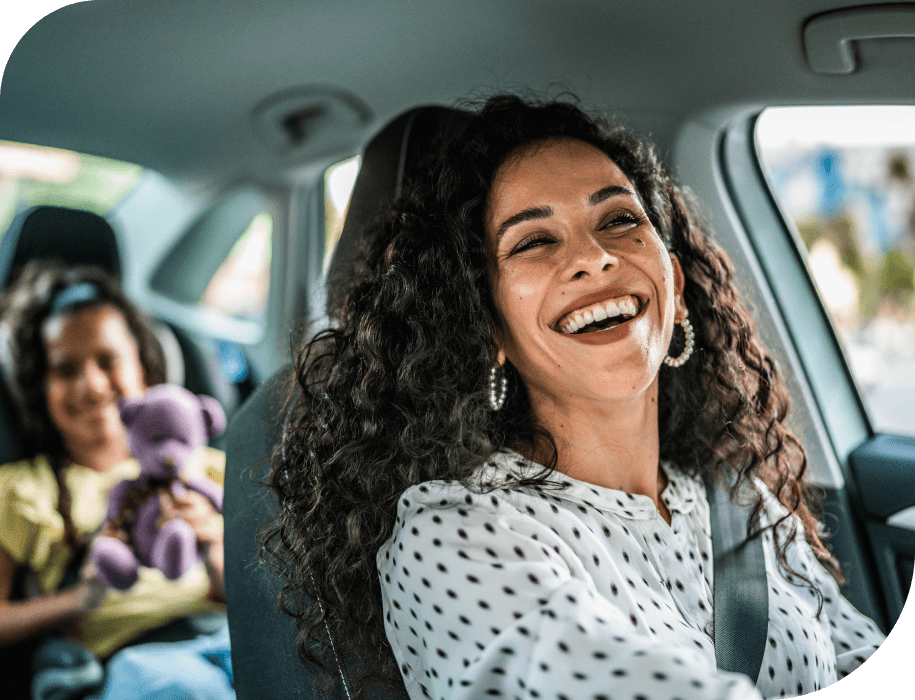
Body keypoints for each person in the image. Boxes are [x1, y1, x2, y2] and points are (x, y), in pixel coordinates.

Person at [262, 95, 885, 700]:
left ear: (675, 281)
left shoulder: (740, 497)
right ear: (486, 326)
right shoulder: (453, 535)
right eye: (534, 241)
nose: (594, 257)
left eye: (618, 220)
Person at [0, 261, 230, 699]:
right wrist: (77, 601)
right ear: (37, 387)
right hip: (135, 663)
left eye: (109, 361)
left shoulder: (208, 468)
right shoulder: (24, 490)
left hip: (230, 637)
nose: (90, 385)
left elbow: (270, 598)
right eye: (65, 370)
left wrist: (215, 547)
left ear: (143, 366)